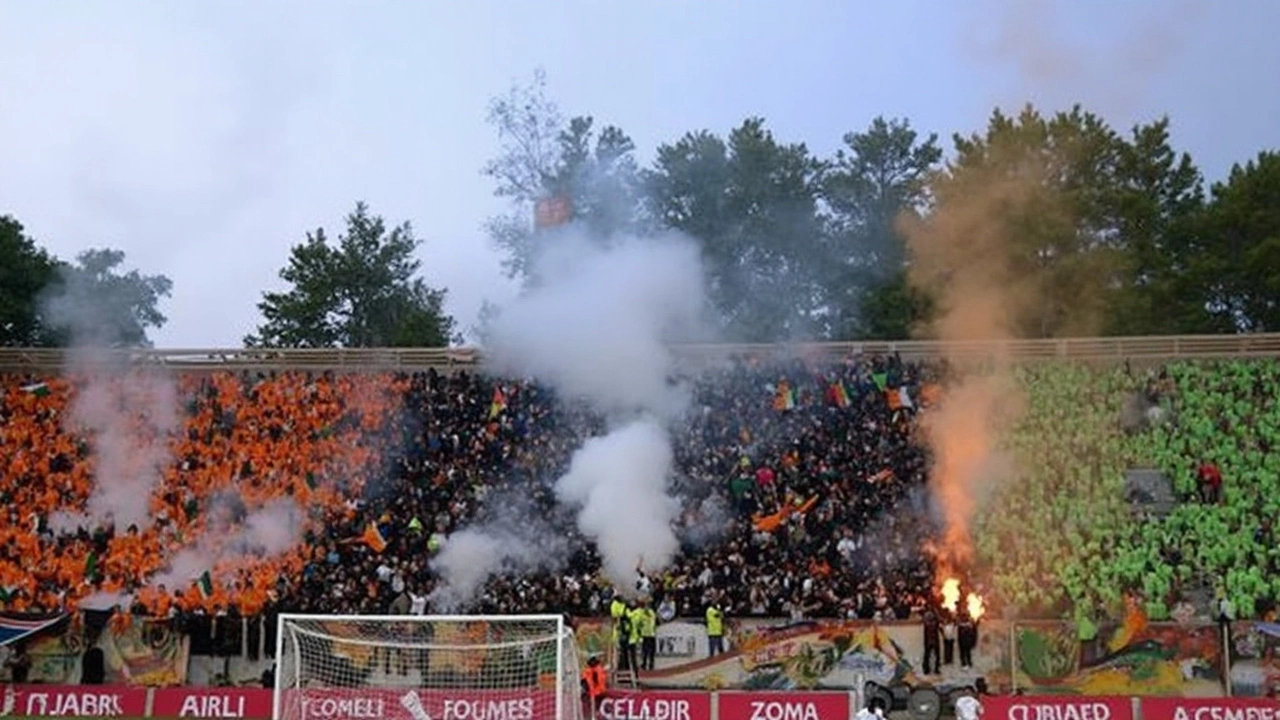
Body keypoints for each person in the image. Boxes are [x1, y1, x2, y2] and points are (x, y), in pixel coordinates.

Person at [636, 597, 658, 671]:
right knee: (647, 651)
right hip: (647, 634)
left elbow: (640, 622)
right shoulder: (648, 613)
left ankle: (649, 665)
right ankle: (647, 665)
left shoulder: (649, 612)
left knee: (649, 651)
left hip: (649, 634)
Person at [921, 606, 941, 675]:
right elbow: (926, 623)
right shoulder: (927, 616)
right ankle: (926, 669)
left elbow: (939, 621)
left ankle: (936, 668)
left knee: (936, 655)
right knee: (927, 655)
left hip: (934, 638)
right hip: (929, 639)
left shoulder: (935, 616)